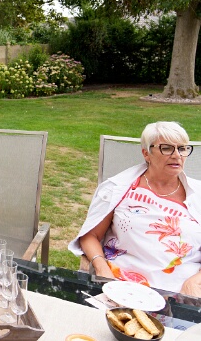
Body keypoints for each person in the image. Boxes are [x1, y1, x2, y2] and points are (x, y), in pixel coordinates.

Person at [69, 121, 201, 296]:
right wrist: (102, 268)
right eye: (167, 148)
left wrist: (195, 282)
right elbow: (90, 235)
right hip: (122, 286)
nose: (177, 155)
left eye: (182, 148)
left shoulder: (198, 194)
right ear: (146, 153)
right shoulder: (117, 188)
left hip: (186, 292)